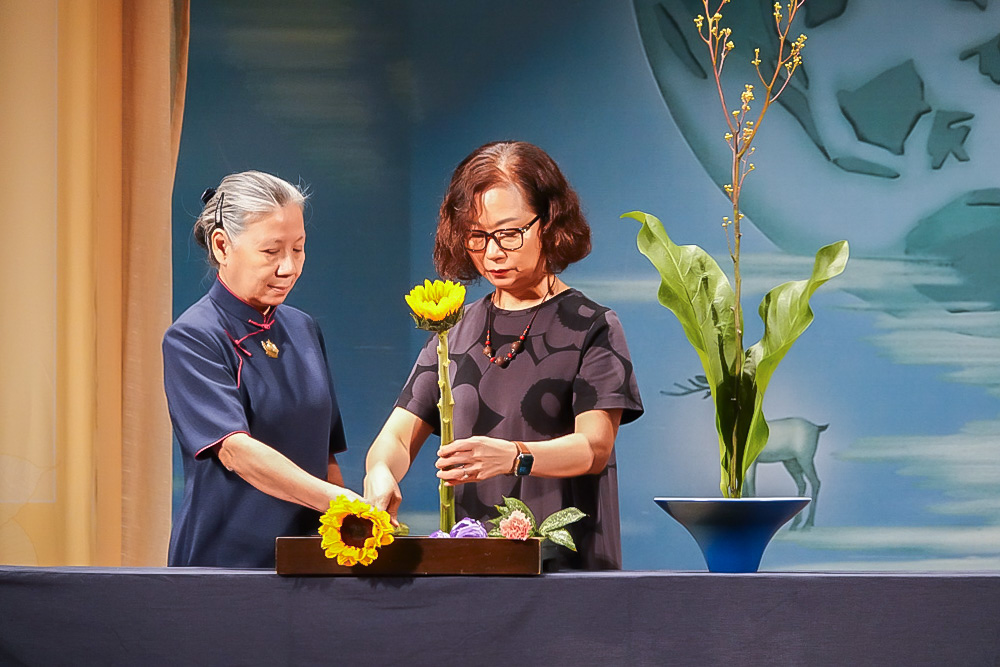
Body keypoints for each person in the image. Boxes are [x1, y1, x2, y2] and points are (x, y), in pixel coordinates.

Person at [364, 142, 643, 570]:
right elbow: (398, 436)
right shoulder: (453, 328)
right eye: (477, 236)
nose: (492, 252)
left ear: (549, 222)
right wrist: (380, 472)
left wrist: (514, 456)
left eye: (509, 233)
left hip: (560, 565)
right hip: (468, 564)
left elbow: (594, 447)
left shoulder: (592, 326)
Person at [163, 170, 359, 568]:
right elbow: (236, 451)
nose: (289, 268)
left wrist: (354, 532)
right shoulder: (192, 337)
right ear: (222, 246)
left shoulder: (303, 328)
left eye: (299, 249)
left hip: (310, 560)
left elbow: (324, 456)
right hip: (226, 563)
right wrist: (341, 503)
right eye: (271, 252)